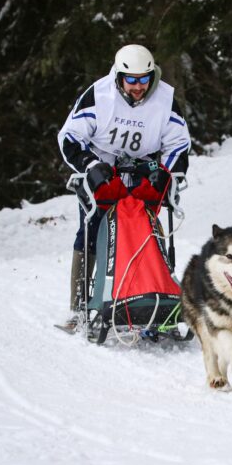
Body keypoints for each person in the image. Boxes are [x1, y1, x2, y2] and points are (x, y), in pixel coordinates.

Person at [57, 44, 191, 330]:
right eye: (131, 80)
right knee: (91, 227)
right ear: (119, 77)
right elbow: (70, 137)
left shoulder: (165, 99)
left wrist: (166, 173)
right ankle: (79, 306)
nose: (139, 86)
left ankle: (154, 291)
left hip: (144, 169)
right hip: (102, 168)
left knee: (146, 225)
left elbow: (178, 144)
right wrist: (89, 165)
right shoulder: (98, 94)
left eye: (145, 79)